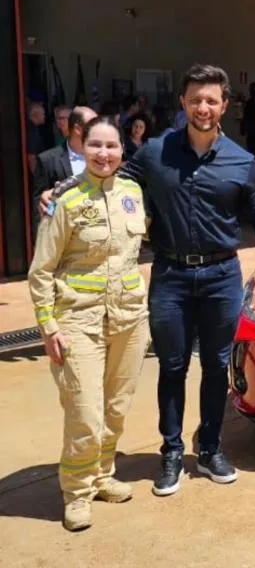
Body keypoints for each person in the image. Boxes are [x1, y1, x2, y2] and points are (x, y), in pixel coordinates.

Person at [39, 65, 255, 497]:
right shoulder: (155, 152)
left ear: (224, 105)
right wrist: (63, 191)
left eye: (211, 100)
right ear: (183, 104)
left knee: (213, 366)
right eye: (195, 100)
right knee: (172, 366)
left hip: (222, 275)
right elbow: (109, 176)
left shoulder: (243, 162)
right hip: (170, 275)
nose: (203, 108)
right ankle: (171, 452)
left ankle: (208, 448)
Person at [28, 116, 149, 532]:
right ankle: (76, 493)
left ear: (122, 151)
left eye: (111, 146)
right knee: (84, 410)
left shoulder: (133, 192)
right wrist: (48, 325)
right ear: (81, 148)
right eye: (95, 145)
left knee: (116, 405)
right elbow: (40, 271)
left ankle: (101, 475)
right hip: (77, 320)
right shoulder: (64, 200)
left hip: (129, 317)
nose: (103, 154)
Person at [32, 106, 97, 227]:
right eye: (93, 125)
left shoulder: (103, 158)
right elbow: (41, 208)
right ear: (78, 129)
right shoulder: (48, 160)